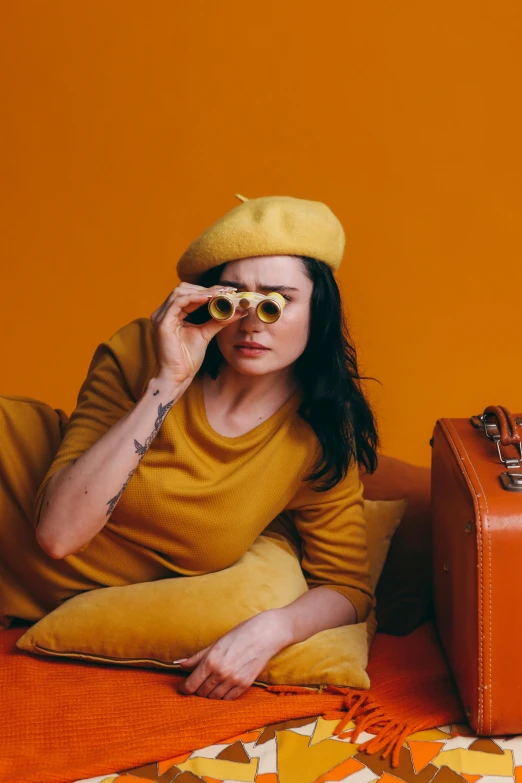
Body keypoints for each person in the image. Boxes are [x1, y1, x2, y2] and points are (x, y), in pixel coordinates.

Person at [0, 193, 380, 701]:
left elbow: (348, 588)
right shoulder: (143, 353)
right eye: (232, 300)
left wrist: (271, 630)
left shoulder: (319, 433)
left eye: (277, 301)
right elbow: (59, 535)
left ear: (319, 312)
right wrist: (167, 382)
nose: (251, 323)